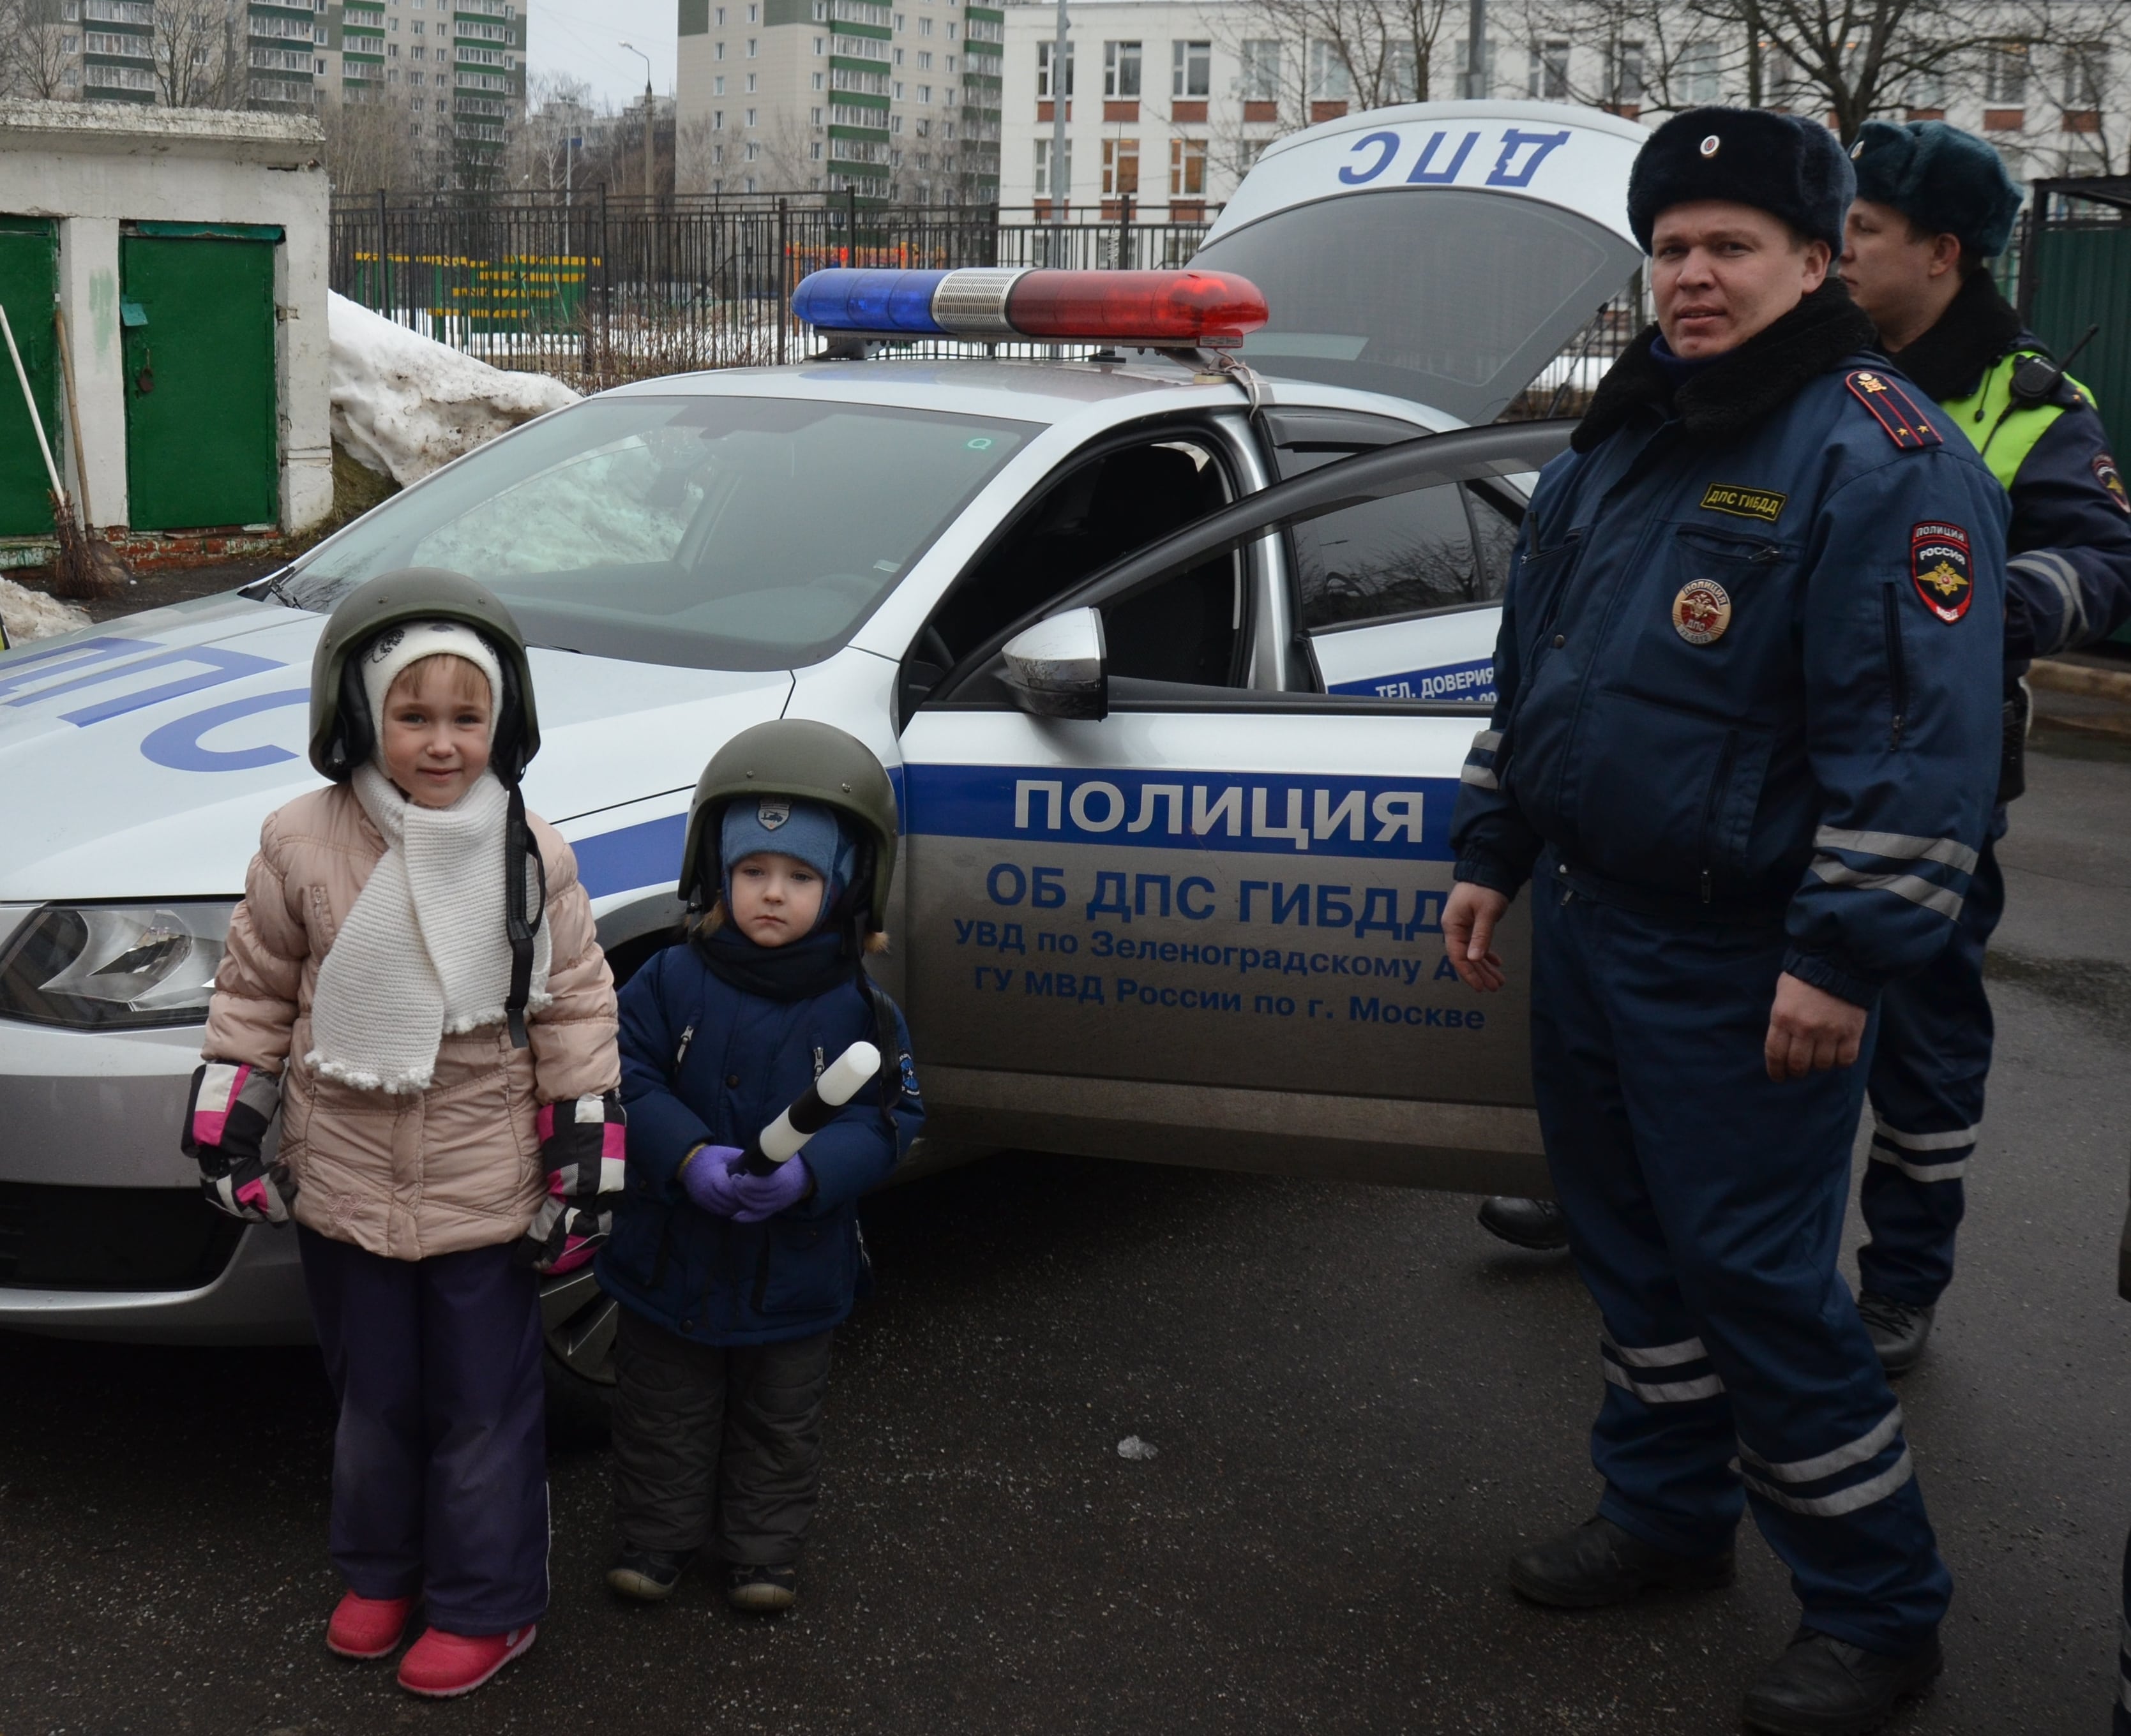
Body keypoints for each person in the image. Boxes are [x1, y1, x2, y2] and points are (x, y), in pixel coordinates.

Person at [1443, 108, 2007, 1735]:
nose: (1691, 275)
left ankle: (1877, 1608)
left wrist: (1840, 954)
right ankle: (1667, 1515)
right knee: (1628, 1256)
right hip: (1598, 924)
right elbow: (1539, 676)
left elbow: (1911, 742)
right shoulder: (1630, 436)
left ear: (1814, 262)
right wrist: (1494, 842)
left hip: (1744, 957)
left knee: (1757, 1284)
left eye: (1730, 247)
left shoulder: (1873, 453)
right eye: (1672, 248)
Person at [184, 569, 622, 1698]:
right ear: (358, 716)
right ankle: (381, 1570)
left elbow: (573, 1002)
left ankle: (489, 1603)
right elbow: (258, 990)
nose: (441, 745)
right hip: (346, 1180)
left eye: (466, 718)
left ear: (504, 722)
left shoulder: (530, 849)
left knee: (480, 1408)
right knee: (373, 1402)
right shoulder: (301, 841)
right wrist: (229, 1124)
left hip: (483, 1184)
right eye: (412, 716)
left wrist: (587, 1147)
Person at [1834, 119, 2131, 1372]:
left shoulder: (2025, 405)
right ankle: (1632, 1218)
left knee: (1920, 1029)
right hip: (1773, 758)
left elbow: (2110, 561)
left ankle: (1901, 1278)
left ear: (1942, 253)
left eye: (1861, 232)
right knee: (1714, 1006)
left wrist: (1978, 611)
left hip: (1938, 774)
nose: (1836, 250)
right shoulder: (1802, 363)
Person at [598, 719, 922, 1614]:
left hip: (795, 1270)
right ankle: (654, 1541)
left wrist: (812, 1177)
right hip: (671, 1254)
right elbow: (622, 1073)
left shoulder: (863, 1008)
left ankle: (761, 1553)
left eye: (799, 877)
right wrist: (686, 1155)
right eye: (752, 873)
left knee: (778, 1420)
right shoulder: (666, 980)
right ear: (718, 875)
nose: (771, 895)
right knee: (663, 1410)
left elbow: (892, 1115)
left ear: (849, 885)